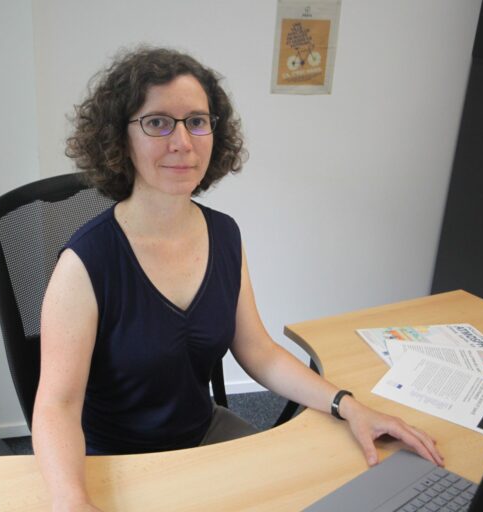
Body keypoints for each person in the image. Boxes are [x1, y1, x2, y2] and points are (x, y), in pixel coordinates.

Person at [32, 46, 443, 511]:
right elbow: (57, 405)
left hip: (203, 436)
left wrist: (349, 406)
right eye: (157, 122)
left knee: (327, 491)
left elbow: (259, 352)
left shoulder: (223, 234)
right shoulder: (86, 262)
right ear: (120, 138)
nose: (182, 141)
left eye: (196, 121)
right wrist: (71, 501)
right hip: (118, 462)